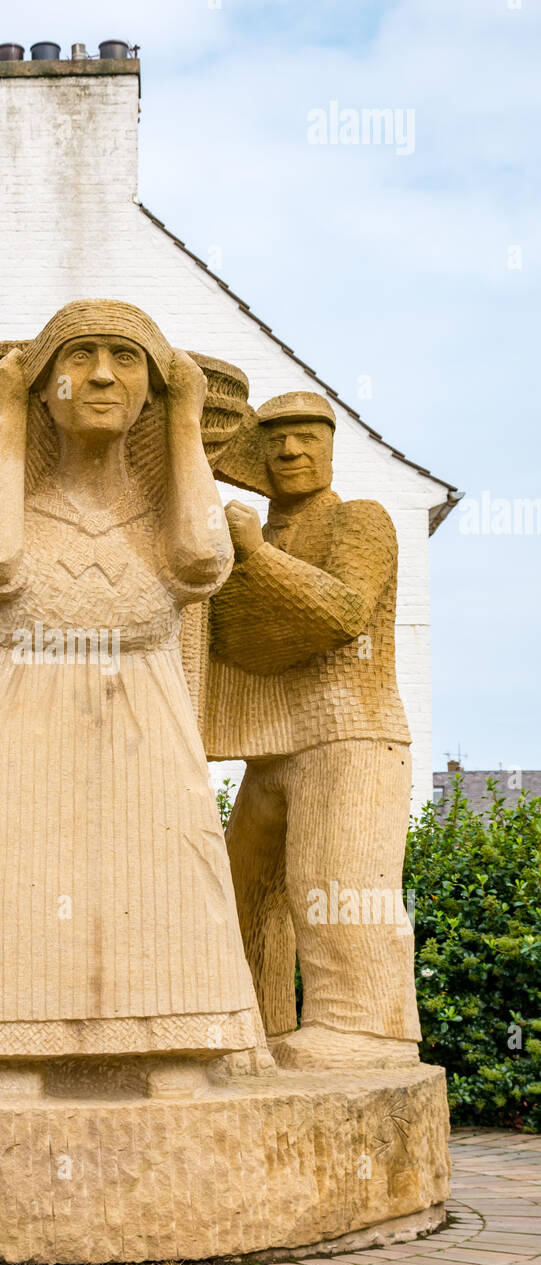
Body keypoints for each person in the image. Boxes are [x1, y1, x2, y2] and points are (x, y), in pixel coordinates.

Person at [0, 300, 269, 1098]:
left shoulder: (164, 505)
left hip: (146, 722)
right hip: (18, 721)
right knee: (10, 872)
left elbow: (204, 562)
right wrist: (2, 424)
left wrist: (186, 420)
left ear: (153, 387)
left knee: (166, 870)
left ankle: (176, 1040)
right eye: (78, 356)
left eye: (127, 358)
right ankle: (3, 1048)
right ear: (42, 388)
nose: (102, 373)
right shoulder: (14, 498)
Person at [210, 392, 421, 1069]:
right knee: (240, 890)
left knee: (336, 878)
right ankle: (257, 1022)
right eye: (273, 443)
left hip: (351, 731)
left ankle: (367, 1028)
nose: (290, 452)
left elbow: (342, 610)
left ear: (329, 447)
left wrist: (252, 558)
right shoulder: (256, 539)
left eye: (305, 438)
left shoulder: (359, 520)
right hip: (274, 743)